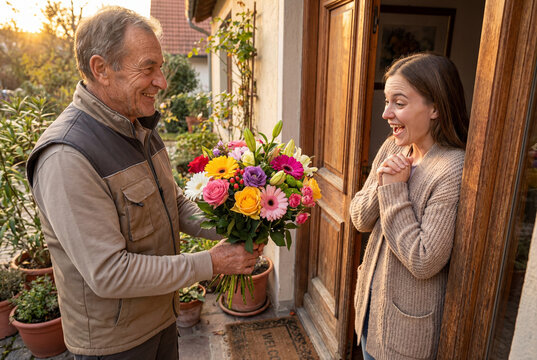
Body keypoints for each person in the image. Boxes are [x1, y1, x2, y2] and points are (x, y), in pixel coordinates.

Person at [26, 6, 261, 360]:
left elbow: (174, 204)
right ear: (101, 69)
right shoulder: (67, 156)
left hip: (160, 318)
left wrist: (238, 224)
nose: (162, 82)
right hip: (114, 344)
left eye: (160, 68)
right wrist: (212, 262)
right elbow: (109, 273)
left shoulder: (138, 126)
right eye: (148, 68)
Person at [350, 53, 469, 360]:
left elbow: (424, 260)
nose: (386, 113)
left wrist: (393, 190)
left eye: (399, 103)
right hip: (368, 313)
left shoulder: (452, 168)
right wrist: (383, 181)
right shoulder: (394, 145)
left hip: (406, 336)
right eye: (387, 101)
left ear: (436, 108)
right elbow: (360, 218)